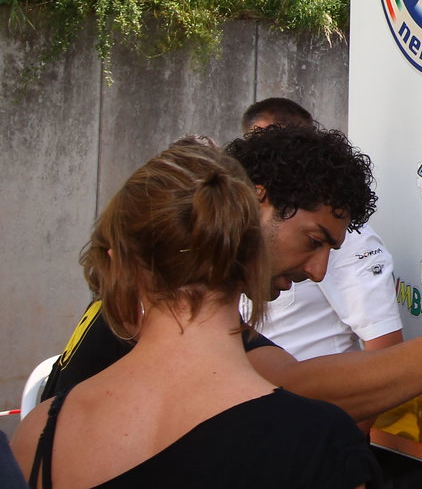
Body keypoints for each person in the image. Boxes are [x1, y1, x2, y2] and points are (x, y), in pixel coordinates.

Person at [41, 126, 422, 425]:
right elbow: (292, 393)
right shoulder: (167, 304)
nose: (318, 271)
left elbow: (287, 380)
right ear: (257, 200)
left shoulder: (171, 295)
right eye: (314, 241)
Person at [12, 139, 381, 487]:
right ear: (249, 247)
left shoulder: (39, 436)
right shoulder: (320, 443)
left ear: (119, 262)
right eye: (314, 242)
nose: (318, 272)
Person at [241, 101, 404, 380]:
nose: (318, 272)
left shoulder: (348, 235)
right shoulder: (184, 293)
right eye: (314, 241)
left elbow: (384, 354)